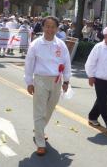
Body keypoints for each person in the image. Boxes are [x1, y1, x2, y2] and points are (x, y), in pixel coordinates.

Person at [24, 16, 72, 156]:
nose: (50, 29)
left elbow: (67, 62)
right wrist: (29, 82)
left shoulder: (61, 45)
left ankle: (40, 129)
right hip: (40, 80)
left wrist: (67, 81)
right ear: (43, 27)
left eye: (53, 27)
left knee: (49, 109)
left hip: (57, 80)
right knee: (39, 111)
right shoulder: (36, 44)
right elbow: (29, 64)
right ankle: (40, 143)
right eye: (47, 26)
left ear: (57, 28)